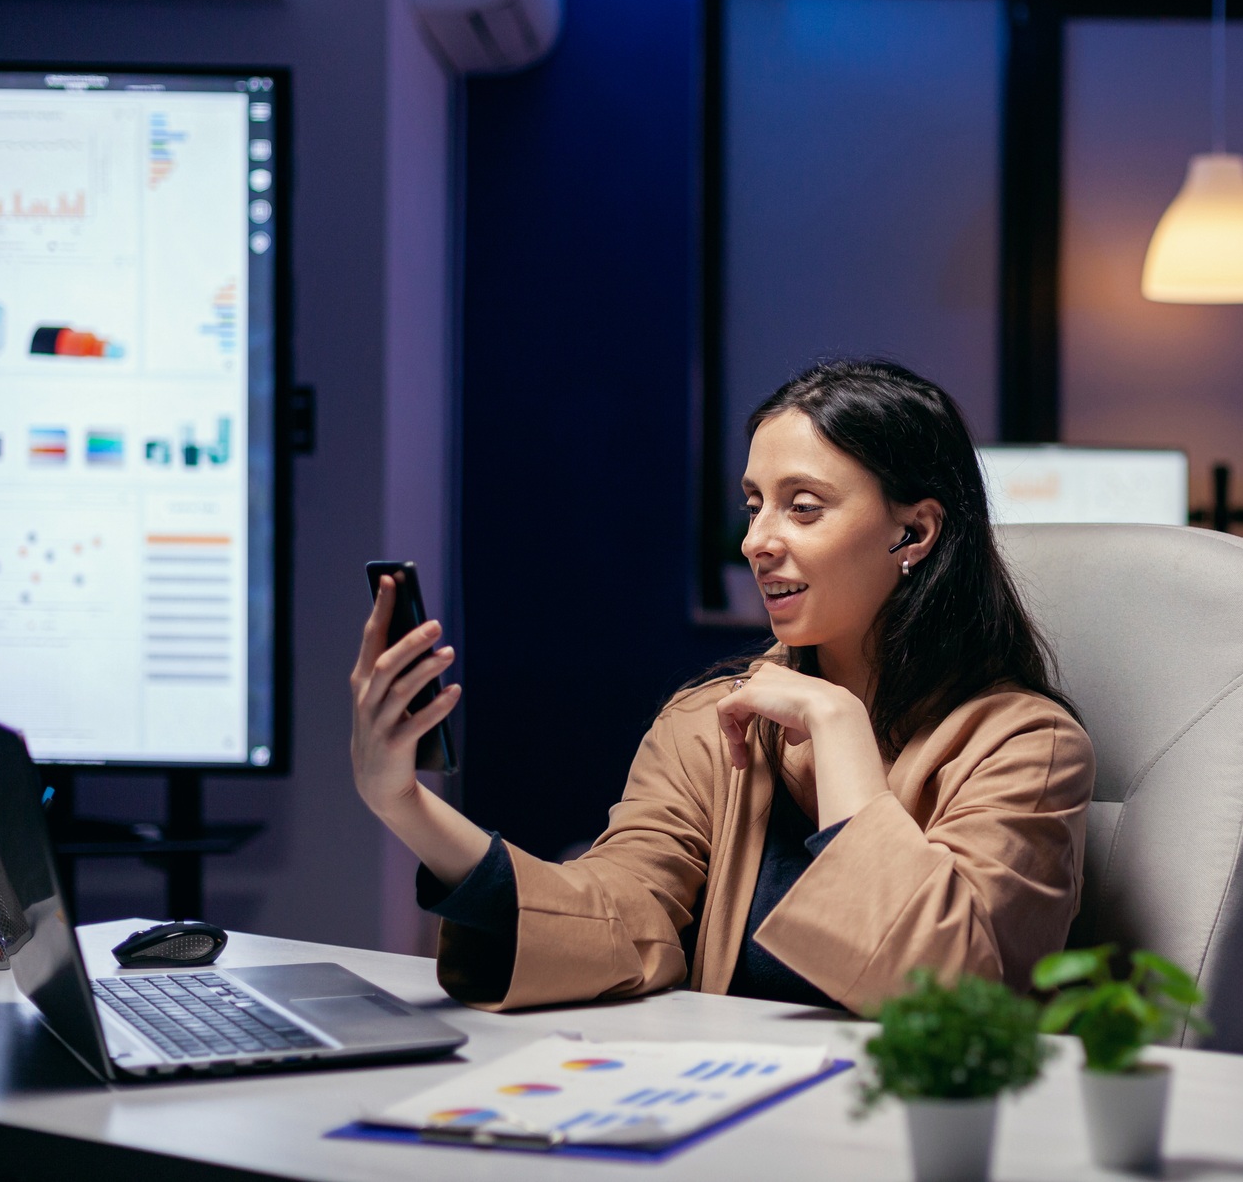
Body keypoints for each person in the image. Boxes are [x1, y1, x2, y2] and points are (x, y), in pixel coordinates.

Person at [349, 360, 1094, 1013]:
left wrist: (838, 729)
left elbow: (949, 990)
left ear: (916, 533)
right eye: (753, 503)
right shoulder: (712, 720)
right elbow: (613, 915)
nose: (756, 541)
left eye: (803, 506)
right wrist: (403, 804)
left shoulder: (1027, 746)